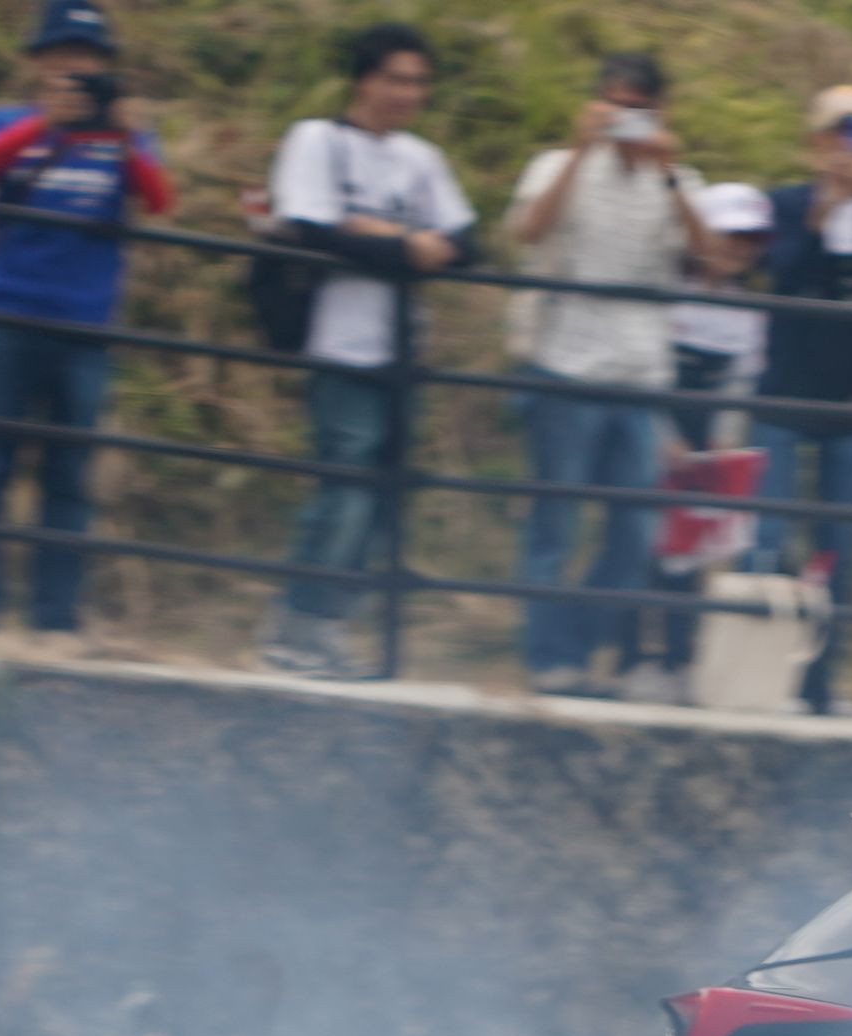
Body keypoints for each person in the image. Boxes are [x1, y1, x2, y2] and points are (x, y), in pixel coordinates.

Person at [256, 23, 473, 678]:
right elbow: (311, 226)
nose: (408, 93)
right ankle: (302, 623)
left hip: (403, 349)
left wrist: (374, 232)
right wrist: (405, 244)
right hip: (339, 340)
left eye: (419, 82)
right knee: (346, 484)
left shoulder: (421, 158)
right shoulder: (317, 140)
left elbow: (467, 242)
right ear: (363, 80)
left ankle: (324, 623)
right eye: (396, 78)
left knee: (382, 494)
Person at [502, 52, 707, 695]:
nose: (628, 118)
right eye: (618, 105)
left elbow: (709, 258)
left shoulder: (678, 180)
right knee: (556, 524)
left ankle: (578, 644)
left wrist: (668, 173)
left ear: (662, 112)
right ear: (597, 103)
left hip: (642, 373)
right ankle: (549, 659)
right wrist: (578, 151)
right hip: (566, 363)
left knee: (637, 532)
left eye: (641, 108)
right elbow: (528, 231)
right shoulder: (555, 165)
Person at [0, 0, 167, 646]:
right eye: (64, 53)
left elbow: (158, 198)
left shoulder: (124, 133)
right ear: (39, 61)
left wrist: (123, 137)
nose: (76, 66)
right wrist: (45, 125)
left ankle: (55, 616)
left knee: (69, 473)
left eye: (89, 56)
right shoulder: (9, 122)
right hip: (8, 311)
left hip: (87, 323)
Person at [752, 84, 852, 713]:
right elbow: (781, 267)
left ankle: (820, 685)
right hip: (784, 391)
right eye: (840, 133)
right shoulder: (785, 204)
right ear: (816, 141)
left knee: (836, 552)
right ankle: (759, 679)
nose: (850, 147)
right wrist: (823, 207)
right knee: (768, 541)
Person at [617, 178, 770, 703]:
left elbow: (740, 384)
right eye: (729, 235)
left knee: (689, 554)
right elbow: (640, 366)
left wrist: (724, 438)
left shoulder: (746, 310)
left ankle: (678, 660)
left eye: (750, 240)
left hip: (705, 442)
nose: (738, 249)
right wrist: (661, 433)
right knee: (637, 543)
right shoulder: (666, 292)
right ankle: (630, 659)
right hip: (652, 428)